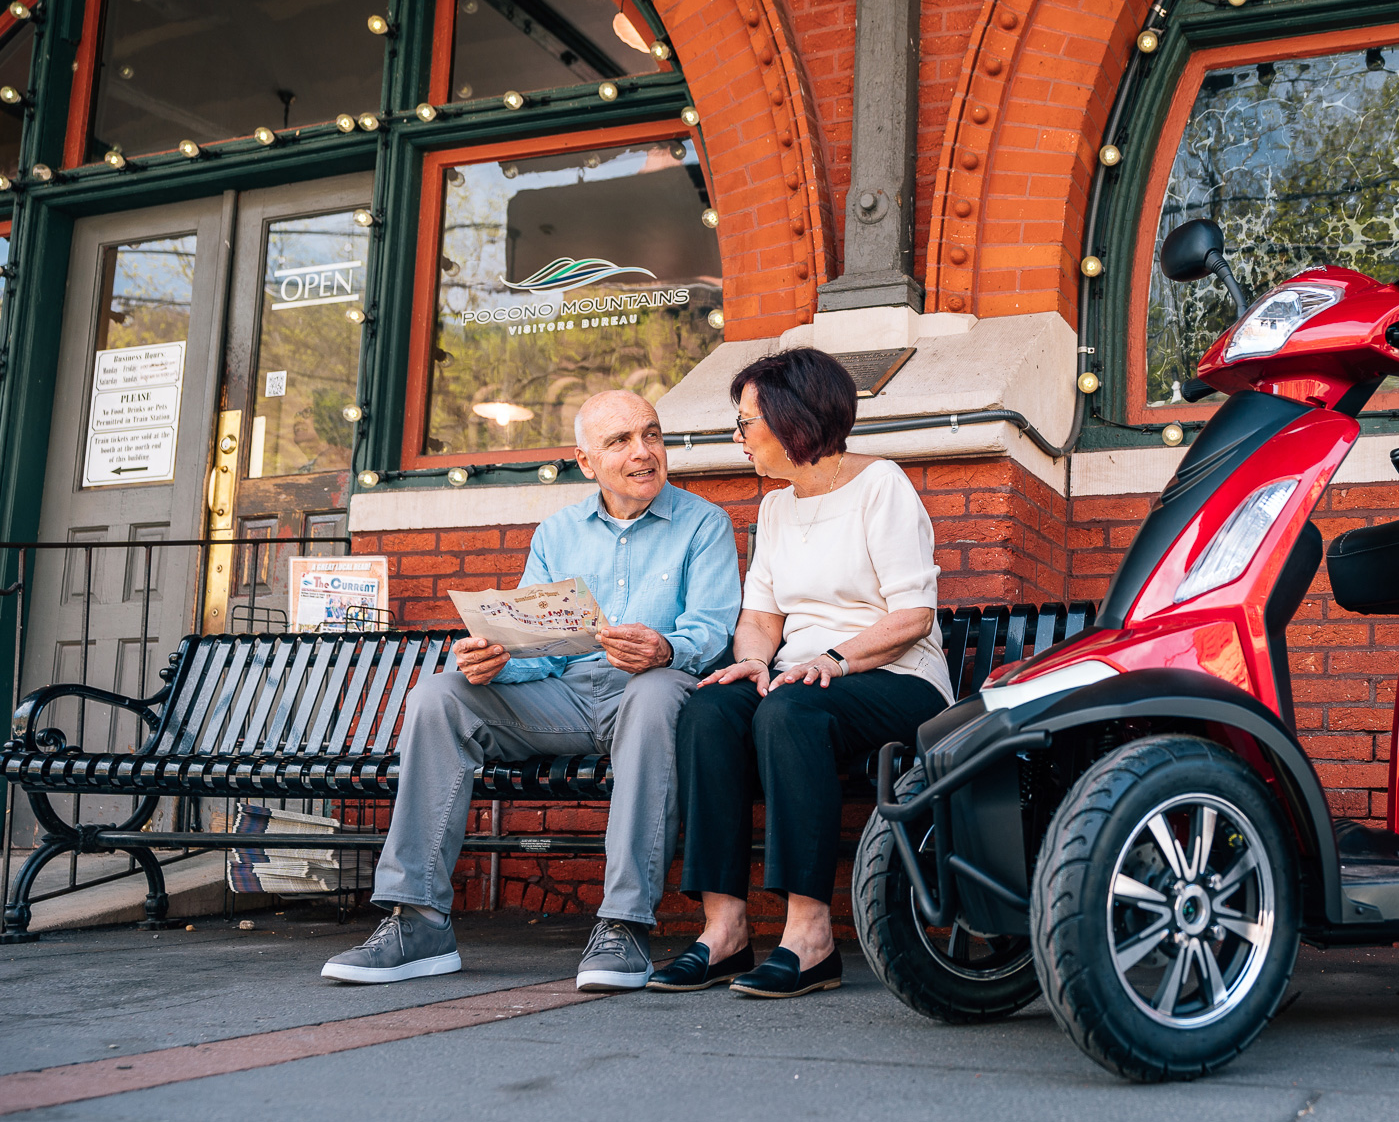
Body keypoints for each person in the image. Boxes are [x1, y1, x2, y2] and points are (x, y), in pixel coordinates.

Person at [321, 391, 742, 991]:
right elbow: (533, 645)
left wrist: (666, 649)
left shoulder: (703, 523)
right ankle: (417, 921)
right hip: (566, 697)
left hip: (651, 692)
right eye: (620, 441)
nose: (644, 452)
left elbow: (713, 628)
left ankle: (624, 926)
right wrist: (493, 661)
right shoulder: (557, 532)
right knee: (438, 697)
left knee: (653, 696)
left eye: (652, 434)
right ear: (586, 460)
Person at [653, 348, 952, 998]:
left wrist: (835, 660)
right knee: (708, 710)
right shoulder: (776, 509)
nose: (738, 436)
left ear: (793, 420)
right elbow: (759, 616)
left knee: (791, 710)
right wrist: (755, 660)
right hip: (801, 679)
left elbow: (914, 616)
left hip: (894, 678)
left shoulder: (882, 487)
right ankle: (723, 930)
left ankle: (811, 936)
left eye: (746, 421)